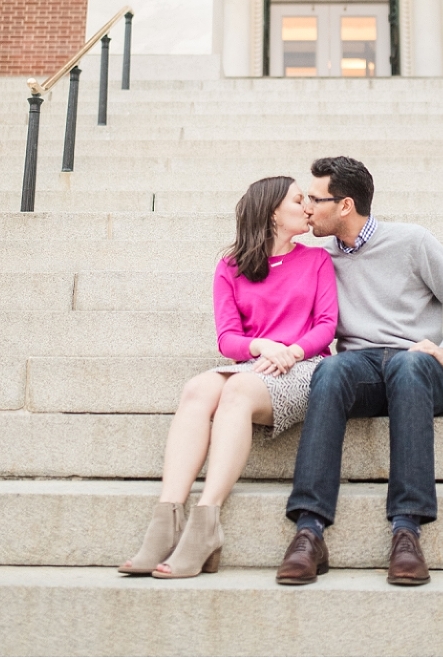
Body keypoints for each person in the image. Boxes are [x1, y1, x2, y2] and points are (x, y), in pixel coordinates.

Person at [276, 156, 443, 587]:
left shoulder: (411, 241)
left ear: (346, 205)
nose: (309, 207)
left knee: (410, 366)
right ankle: (309, 530)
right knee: (332, 370)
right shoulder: (321, 258)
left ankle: (406, 530)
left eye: (316, 199)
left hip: (418, 366)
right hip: (362, 370)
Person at [118, 174, 337, 580]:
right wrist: (260, 347)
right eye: (298, 200)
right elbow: (228, 338)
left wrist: (290, 350)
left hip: (305, 367)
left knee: (236, 390)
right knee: (197, 389)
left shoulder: (317, 260)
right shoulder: (231, 266)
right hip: (254, 364)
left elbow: (327, 326)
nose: (309, 207)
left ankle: (206, 522)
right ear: (272, 212)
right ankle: (165, 521)